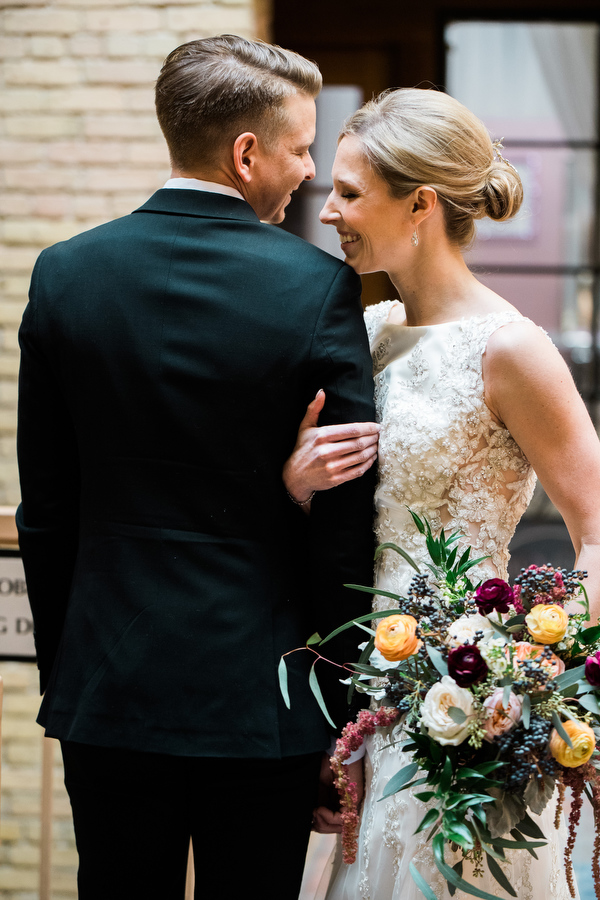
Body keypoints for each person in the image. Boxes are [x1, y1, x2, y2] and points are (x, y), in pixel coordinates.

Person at [15, 35, 380, 900]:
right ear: (245, 153)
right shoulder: (317, 288)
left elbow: (46, 511)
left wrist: (73, 672)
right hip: (264, 694)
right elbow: (342, 524)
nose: (306, 176)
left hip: (105, 683)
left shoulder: (64, 275)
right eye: (299, 150)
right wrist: (343, 708)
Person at [283, 86, 600, 899]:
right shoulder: (365, 332)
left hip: (459, 700)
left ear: (419, 203)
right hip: (355, 688)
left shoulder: (511, 350)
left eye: (350, 193)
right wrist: (296, 482)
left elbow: (597, 526)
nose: (329, 213)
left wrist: (536, 677)